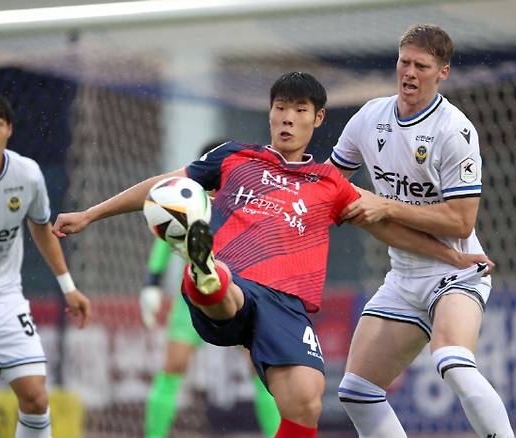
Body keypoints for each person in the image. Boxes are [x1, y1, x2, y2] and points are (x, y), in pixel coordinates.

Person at [53, 72, 490, 438]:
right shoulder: (234, 158)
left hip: (286, 304)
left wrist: (450, 258)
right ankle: (205, 270)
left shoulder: (328, 183)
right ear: (270, 112)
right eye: (281, 108)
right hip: (235, 285)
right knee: (221, 285)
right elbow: (163, 186)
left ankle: (206, 270)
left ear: (318, 119)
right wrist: (91, 214)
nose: (288, 118)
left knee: (306, 400)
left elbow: (385, 227)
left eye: (300, 111)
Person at [328, 25, 514, 437]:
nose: (409, 73)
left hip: (457, 273)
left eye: (421, 66)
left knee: (452, 361)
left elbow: (462, 221)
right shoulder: (368, 118)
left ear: (442, 72)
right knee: (357, 390)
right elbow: (328, 185)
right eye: (404, 62)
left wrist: (383, 205)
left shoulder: (455, 131)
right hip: (404, 276)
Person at [140, 142, 280, 438]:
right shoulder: (188, 199)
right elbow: (164, 235)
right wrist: (152, 283)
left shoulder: (248, 200)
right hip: (194, 295)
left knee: (262, 370)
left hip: (243, 292)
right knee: (174, 365)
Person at [0, 91, 91, 438]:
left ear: (9, 129)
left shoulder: (27, 175)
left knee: (35, 397)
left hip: (4, 299)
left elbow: (42, 229)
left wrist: (68, 287)